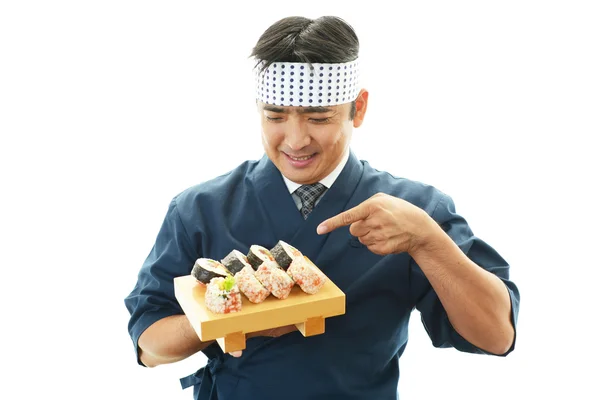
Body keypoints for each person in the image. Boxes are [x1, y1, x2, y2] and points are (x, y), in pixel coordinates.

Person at [124, 15, 520, 400]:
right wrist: (224, 320)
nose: (295, 140)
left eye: (319, 118)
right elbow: (148, 346)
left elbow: (497, 336)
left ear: (358, 109)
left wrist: (427, 242)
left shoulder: (416, 210)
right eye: (275, 116)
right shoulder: (200, 209)